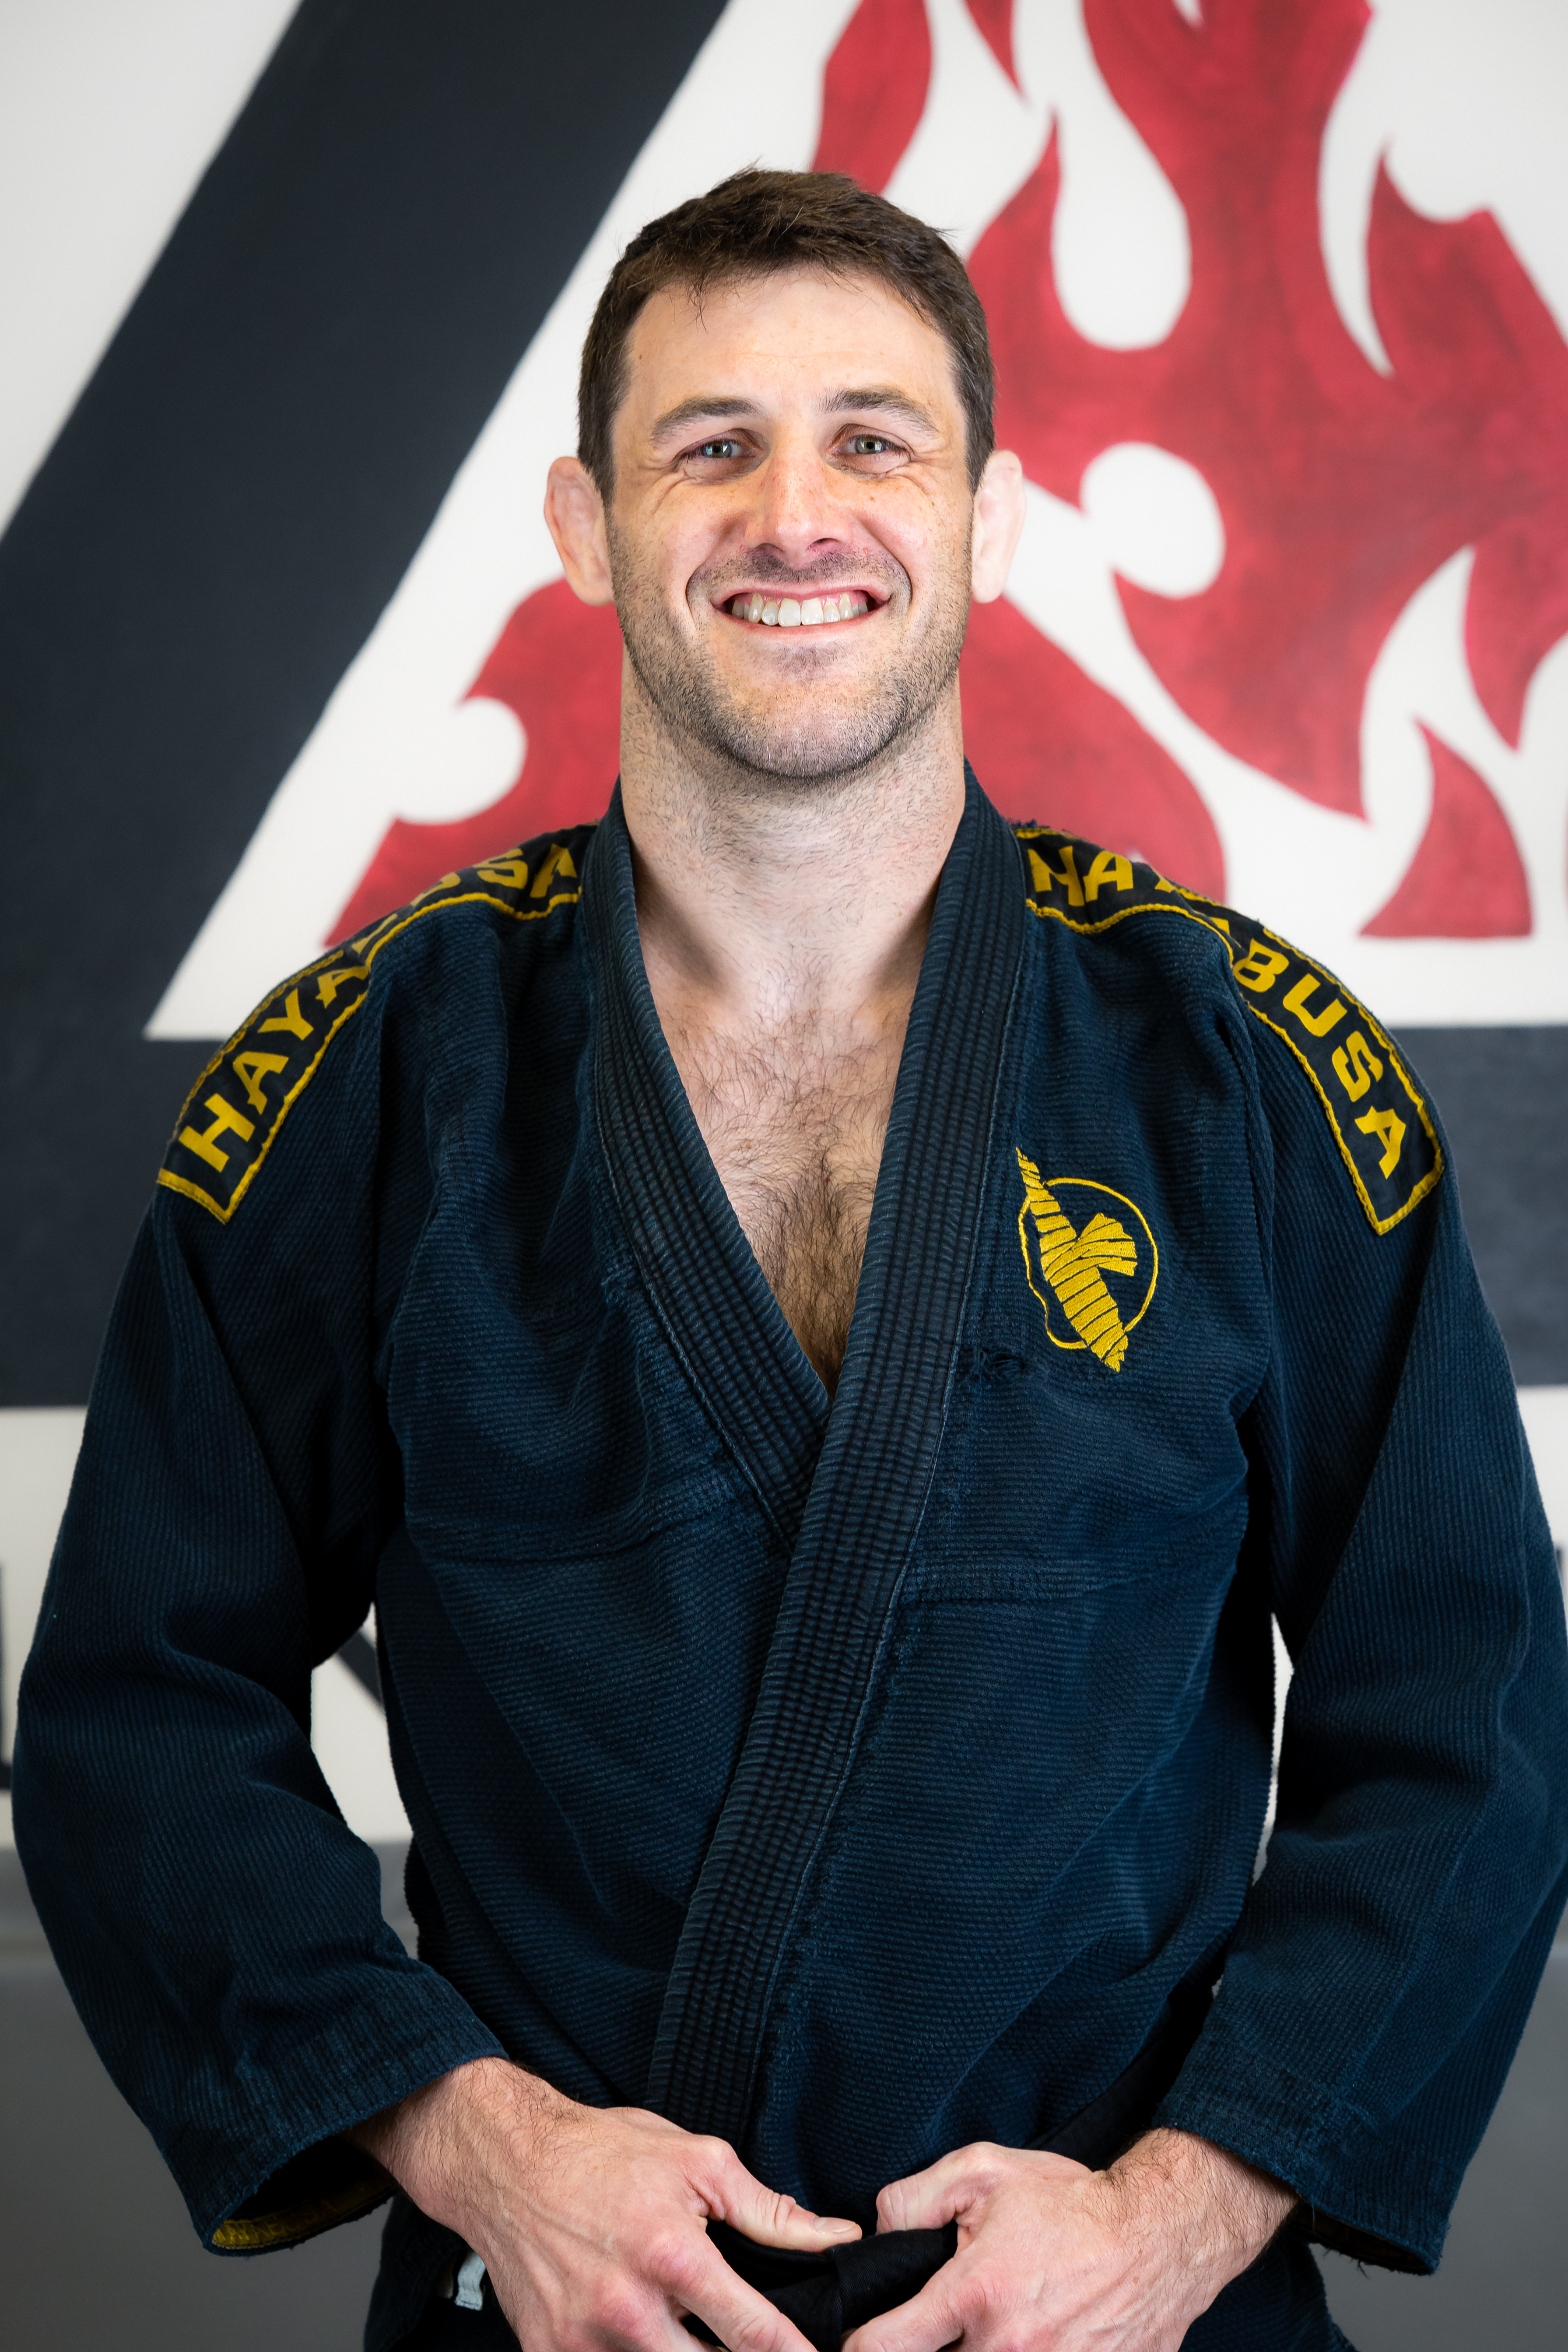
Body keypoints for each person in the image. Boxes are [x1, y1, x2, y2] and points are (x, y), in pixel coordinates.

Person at [14, 168, 1568, 2352]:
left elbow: (1471, 1709)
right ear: (583, 526)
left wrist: (1179, 2216)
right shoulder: (369, 1076)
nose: (794, 515)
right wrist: (479, 2147)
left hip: (1112, 2313)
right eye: (709, 446)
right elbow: (137, 1711)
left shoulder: (1240, 1067)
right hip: (561, 2305)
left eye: (871, 440)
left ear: (988, 519)